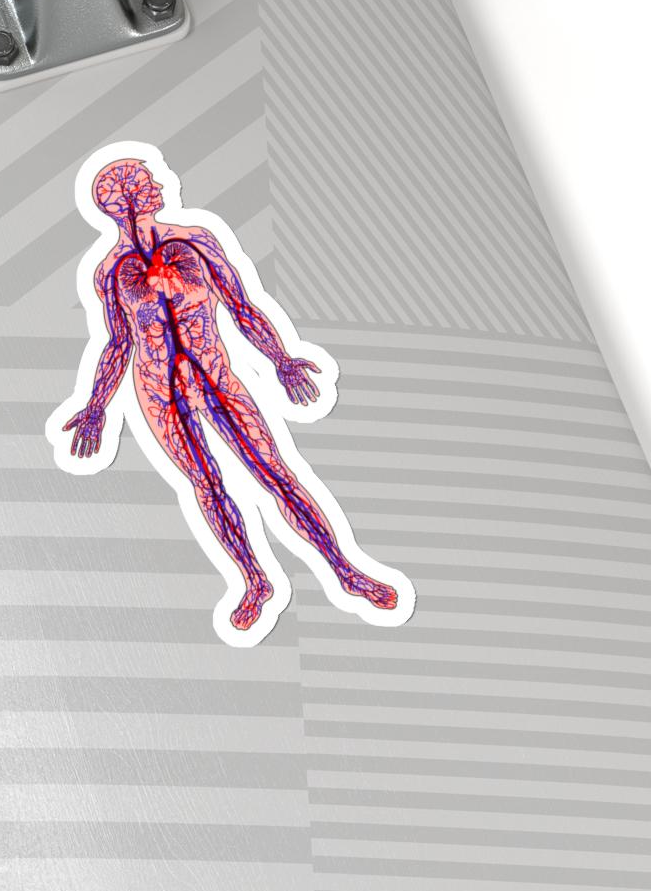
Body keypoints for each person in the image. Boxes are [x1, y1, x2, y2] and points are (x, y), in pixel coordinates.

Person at [61, 156, 402, 634]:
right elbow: (119, 343)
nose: (161, 182)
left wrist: (281, 360)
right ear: (126, 198)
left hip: (215, 375)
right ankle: (254, 581)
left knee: (273, 471)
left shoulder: (195, 242)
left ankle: (346, 572)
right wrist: (97, 406)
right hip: (159, 390)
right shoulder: (110, 271)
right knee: (206, 484)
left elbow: (242, 306)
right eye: (147, 179)